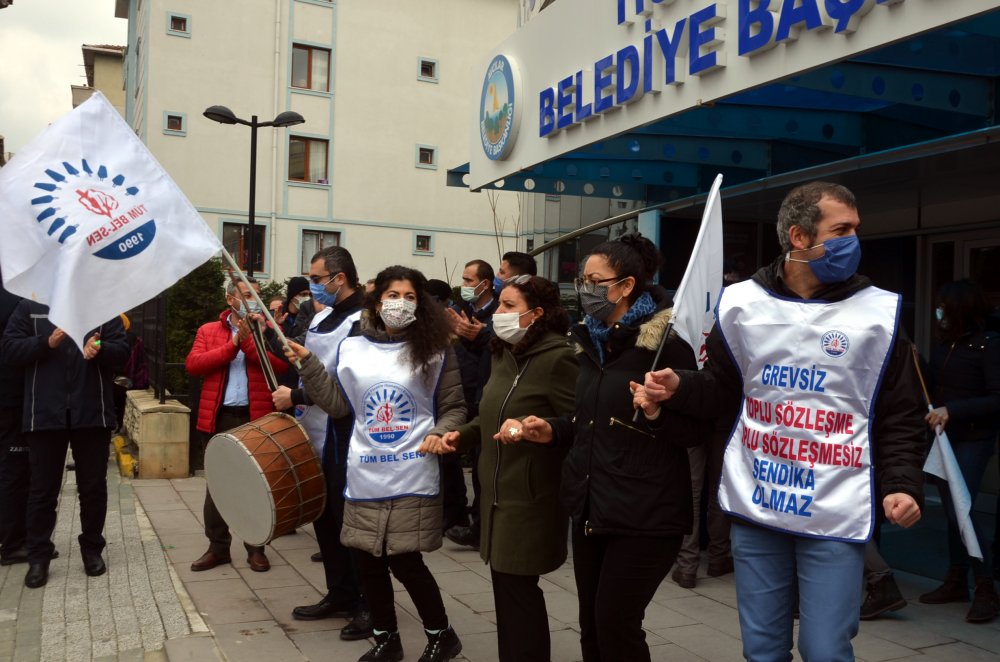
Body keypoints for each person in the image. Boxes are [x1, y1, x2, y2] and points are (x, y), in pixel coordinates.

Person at [637, 181, 926, 661]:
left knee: (825, 649)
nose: (854, 239)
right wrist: (681, 387)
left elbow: (901, 413)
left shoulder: (879, 313)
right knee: (763, 650)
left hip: (836, 509)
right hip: (759, 505)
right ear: (799, 236)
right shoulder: (741, 304)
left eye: (855, 228)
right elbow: (724, 390)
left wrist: (902, 484)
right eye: (842, 229)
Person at [496, 235, 704, 662]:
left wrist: (655, 412)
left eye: (594, 281)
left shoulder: (663, 347)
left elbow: (696, 430)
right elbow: (588, 420)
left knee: (616, 624)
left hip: (645, 514)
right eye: (581, 280)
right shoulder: (591, 342)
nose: (584, 290)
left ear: (626, 286)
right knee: (591, 625)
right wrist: (550, 429)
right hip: (593, 507)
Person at [288, 265, 465, 662]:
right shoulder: (353, 347)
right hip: (365, 470)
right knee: (367, 559)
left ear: (421, 304)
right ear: (377, 300)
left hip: (412, 469)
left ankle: (442, 635)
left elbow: (454, 405)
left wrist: (444, 431)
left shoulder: (436, 350)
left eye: (409, 297)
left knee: (405, 559)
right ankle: (387, 638)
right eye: (392, 296)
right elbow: (337, 404)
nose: (400, 304)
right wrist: (309, 365)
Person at [420, 275, 577, 662]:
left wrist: (539, 429)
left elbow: (580, 422)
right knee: (507, 590)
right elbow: (491, 415)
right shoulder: (503, 353)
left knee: (518, 592)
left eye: (509, 306)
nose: (499, 313)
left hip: (529, 497)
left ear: (536, 314)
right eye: (501, 305)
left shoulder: (560, 358)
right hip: (494, 493)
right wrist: (463, 435)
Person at [273, 247, 372, 641]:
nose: (313, 285)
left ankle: (368, 602)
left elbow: (350, 386)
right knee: (326, 518)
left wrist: (296, 397)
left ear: (339, 277)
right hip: (315, 430)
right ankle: (340, 592)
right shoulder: (322, 315)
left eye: (317, 278)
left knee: (351, 524)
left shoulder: (364, 319)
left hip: (346, 434)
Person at [1, 301, 129, 588]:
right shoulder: (29, 307)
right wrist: (46, 342)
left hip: (91, 412)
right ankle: (38, 558)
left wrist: (102, 350)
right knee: (42, 491)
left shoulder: (101, 305)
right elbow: (9, 349)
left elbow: (123, 351)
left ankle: (92, 549)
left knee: (93, 488)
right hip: (45, 412)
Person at [185, 277, 287, 573]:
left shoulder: (267, 329)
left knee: (256, 484)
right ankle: (217, 548)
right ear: (230, 299)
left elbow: (281, 368)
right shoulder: (208, 330)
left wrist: (253, 341)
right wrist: (231, 345)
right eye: (246, 295)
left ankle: (256, 547)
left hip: (255, 417)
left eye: (254, 295)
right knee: (217, 486)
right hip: (219, 417)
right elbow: (195, 365)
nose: (251, 300)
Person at [918, 279, 1000, 623]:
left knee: (961, 509)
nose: (939, 312)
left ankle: (985, 587)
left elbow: (996, 397)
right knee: (953, 511)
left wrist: (954, 410)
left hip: (972, 438)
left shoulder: (989, 345)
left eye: (943, 306)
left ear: (960, 308)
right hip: (944, 439)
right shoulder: (947, 345)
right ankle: (956, 578)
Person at [441, 259, 498, 550]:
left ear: (484, 284)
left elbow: (495, 352)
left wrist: (477, 336)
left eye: (468, 280)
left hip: (484, 394)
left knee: (481, 467)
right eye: (462, 280)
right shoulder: (464, 312)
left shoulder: (498, 314)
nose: (463, 286)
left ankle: (482, 527)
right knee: (465, 461)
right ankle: (469, 521)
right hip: (464, 393)